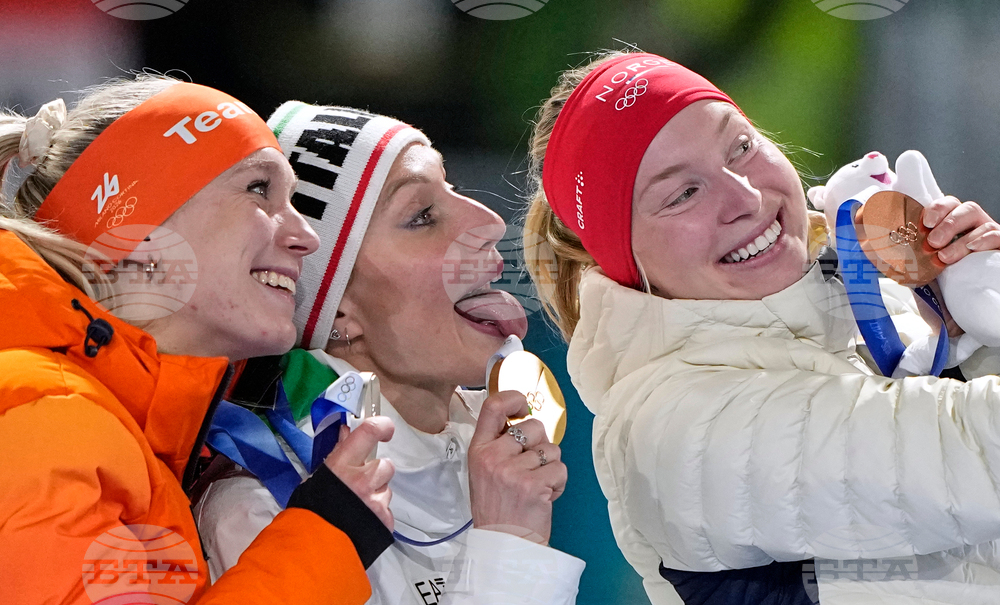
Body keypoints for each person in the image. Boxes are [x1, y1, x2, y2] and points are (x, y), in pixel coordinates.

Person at [523, 51, 1000, 605]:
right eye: (682, 194)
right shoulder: (667, 426)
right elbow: (970, 456)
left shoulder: (876, 294)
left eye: (741, 147)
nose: (745, 199)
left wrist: (974, 318)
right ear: (622, 259)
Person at [0, 78, 399, 605]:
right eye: (259, 188)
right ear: (139, 234)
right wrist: (324, 539)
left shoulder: (110, 429)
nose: (306, 235)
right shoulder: (50, 415)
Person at [193, 102, 585, 604]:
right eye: (422, 216)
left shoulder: (496, 455)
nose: (487, 221)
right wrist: (509, 546)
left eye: (454, 188)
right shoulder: (263, 510)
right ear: (337, 315)